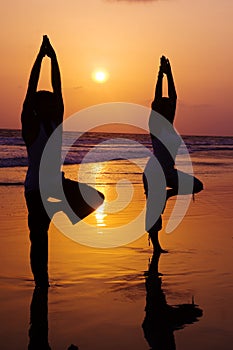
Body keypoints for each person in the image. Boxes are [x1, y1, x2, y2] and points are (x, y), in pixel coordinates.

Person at [22, 36, 104, 288]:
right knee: (39, 239)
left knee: (96, 197)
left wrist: (54, 58)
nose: (52, 105)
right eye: (45, 103)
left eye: (52, 103)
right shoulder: (31, 126)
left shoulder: (56, 125)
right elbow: (29, 92)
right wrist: (39, 59)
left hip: (55, 186)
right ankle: (41, 282)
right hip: (36, 190)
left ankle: (63, 211)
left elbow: (59, 90)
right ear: (36, 107)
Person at [143, 56, 203, 253]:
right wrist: (160, 75)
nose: (170, 109)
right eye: (166, 108)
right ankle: (157, 247)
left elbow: (174, 97)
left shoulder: (169, 127)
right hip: (153, 173)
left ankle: (168, 194)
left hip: (168, 171)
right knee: (154, 212)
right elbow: (159, 97)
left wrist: (167, 72)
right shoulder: (156, 126)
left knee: (197, 185)